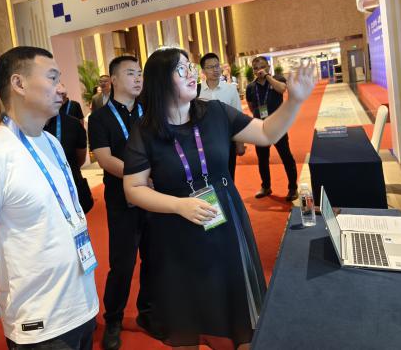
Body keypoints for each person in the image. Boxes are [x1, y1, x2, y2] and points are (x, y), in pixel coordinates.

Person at [122, 48, 315, 349]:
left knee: (237, 305)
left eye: (191, 67)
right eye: (181, 69)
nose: (192, 74)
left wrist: (295, 101)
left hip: (225, 220)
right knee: (186, 311)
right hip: (175, 230)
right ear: (160, 80)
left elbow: (267, 133)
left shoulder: (215, 113)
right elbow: (133, 188)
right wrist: (178, 205)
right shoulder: (145, 131)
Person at [0, 46, 98, 350]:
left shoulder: (51, 142)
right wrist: (12, 294)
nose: (62, 88)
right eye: (52, 78)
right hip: (39, 324)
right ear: (18, 84)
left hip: (82, 305)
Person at [88, 55, 149, 350]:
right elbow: (105, 159)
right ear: (113, 79)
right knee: (123, 263)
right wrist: (142, 176)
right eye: (130, 73)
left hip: (155, 196)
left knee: (155, 256)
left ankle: (148, 312)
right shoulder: (100, 118)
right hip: (122, 200)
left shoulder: (149, 110)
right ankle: (113, 318)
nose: (137, 78)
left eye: (139, 73)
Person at [245, 56, 299, 201]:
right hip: (260, 128)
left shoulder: (277, 79)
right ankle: (266, 186)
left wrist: (267, 77)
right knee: (262, 159)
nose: (259, 70)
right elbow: (251, 107)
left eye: (262, 67)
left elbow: (282, 89)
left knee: (286, 157)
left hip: (278, 126)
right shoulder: (251, 87)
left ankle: (293, 188)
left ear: (268, 67)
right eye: (256, 68)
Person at [198, 53, 246, 180]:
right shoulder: (196, 91)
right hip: (204, 143)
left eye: (217, 66)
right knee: (207, 178)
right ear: (203, 71)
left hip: (227, 140)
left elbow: (238, 117)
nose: (215, 70)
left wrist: (240, 143)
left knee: (229, 175)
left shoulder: (230, 89)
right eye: (210, 67)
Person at [44, 110, 93, 213]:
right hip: (44, 196)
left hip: (72, 189)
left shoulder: (73, 124)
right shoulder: (22, 128)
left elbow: (80, 160)